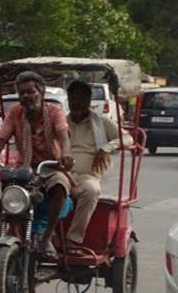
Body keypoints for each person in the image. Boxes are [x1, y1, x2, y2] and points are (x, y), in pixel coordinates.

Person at [0, 71, 73, 259]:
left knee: (59, 185)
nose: (26, 96)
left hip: (51, 167)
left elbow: (63, 134)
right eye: (22, 93)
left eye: (30, 92)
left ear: (41, 92)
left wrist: (66, 154)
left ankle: (46, 237)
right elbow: (1, 138)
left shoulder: (54, 112)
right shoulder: (15, 112)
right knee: (8, 185)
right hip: (25, 169)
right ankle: (14, 231)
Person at [65, 80, 132, 247]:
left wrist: (106, 148)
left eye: (81, 98)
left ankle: (73, 239)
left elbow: (128, 138)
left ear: (89, 101)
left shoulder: (101, 121)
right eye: (73, 98)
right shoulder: (62, 121)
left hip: (87, 176)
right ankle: (46, 238)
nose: (76, 102)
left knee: (91, 190)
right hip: (63, 173)